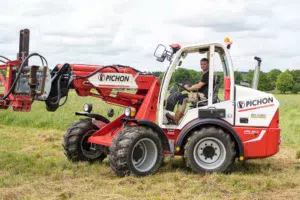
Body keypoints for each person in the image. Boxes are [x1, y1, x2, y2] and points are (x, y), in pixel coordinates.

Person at [166, 58, 210, 125]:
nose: (202, 66)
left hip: (204, 96)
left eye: (204, 64)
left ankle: (176, 119)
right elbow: (199, 85)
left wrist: (189, 88)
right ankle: (177, 117)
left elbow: (199, 86)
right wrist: (190, 87)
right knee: (181, 97)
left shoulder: (207, 74)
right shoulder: (204, 74)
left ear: (208, 64)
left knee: (182, 98)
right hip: (202, 94)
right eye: (201, 64)